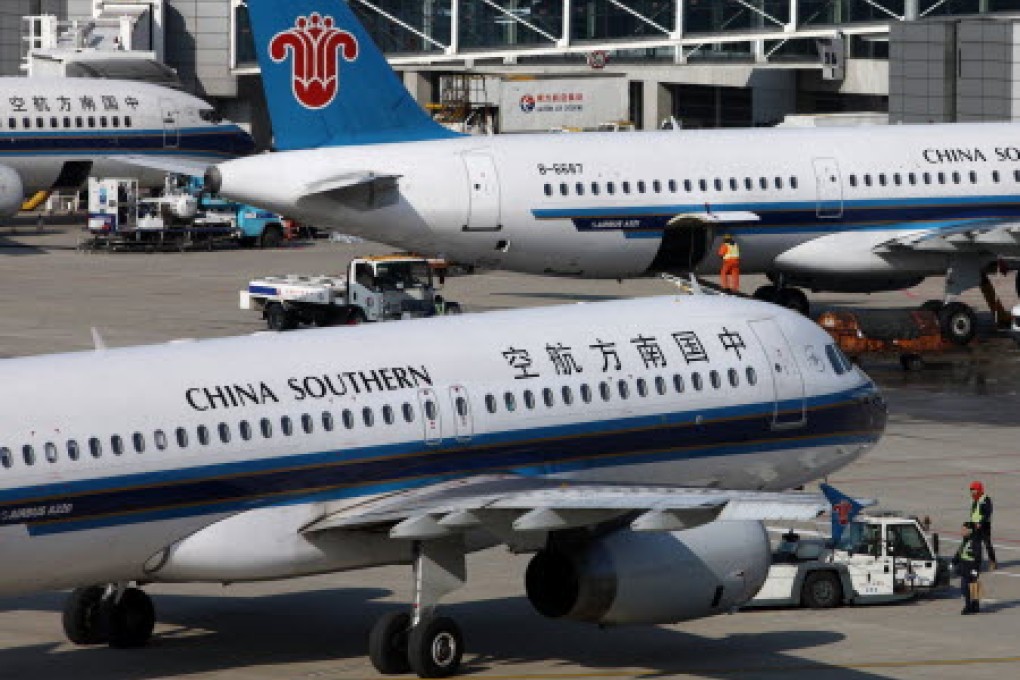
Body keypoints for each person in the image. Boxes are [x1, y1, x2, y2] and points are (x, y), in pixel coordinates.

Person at [952, 522, 983, 614]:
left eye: (964, 529)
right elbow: (960, 552)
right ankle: (973, 605)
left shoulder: (975, 541)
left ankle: (970, 606)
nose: (962, 531)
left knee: (970, 586)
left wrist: (975, 569)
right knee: (967, 586)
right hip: (964, 567)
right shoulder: (965, 540)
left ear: (970, 531)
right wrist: (954, 561)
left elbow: (978, 557)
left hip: (971, 567)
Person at [969, 480, 996, 570]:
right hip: (975, 525)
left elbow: (988, 513)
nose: (972, 491)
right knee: (976, 546)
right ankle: (977, 564)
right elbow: (974, 513)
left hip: (984, 526)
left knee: (987, 544)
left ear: (979, 489)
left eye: (974, 489)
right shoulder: (975, 499)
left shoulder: (985, 499)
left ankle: (992, 561)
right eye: (971, 490)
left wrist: (981, 522)